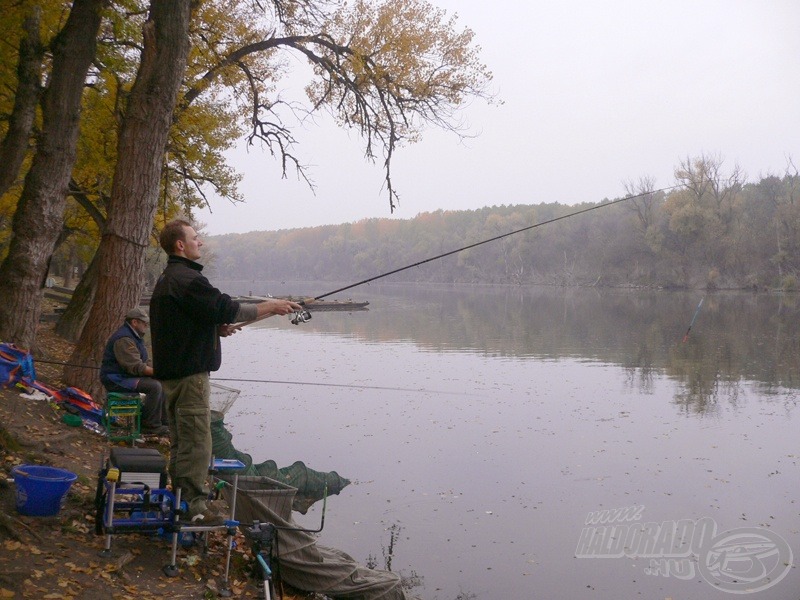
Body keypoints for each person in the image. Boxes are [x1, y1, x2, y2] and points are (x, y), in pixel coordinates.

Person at [149, 219, 302, 525]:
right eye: (195, 238)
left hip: (173, 374)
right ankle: (194, 509)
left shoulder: (170, 278)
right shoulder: (188, 279)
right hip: (189, 374)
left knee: (182, 440)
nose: (200, 242)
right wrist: (270, 306)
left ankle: (181, 498)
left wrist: (215, 329)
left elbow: (185, 321)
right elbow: (224, 306)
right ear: (181, 244)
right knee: (196, 441)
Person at [100, 307, 169, 436]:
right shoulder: (124, 339)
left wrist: (161, 372)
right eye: (144, 323)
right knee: (154, 386)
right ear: (134, 322)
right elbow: (136, 367)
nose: (146, 326)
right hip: (115, 379)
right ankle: (149, 425)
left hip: (127, 376)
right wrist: (158, 372)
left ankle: (163, 422)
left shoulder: (135, 337)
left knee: (162, 382)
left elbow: (144, 362)